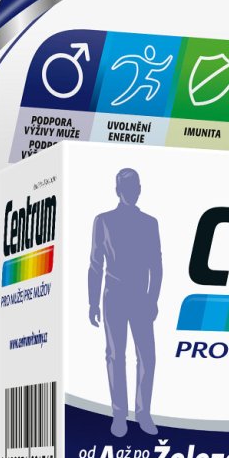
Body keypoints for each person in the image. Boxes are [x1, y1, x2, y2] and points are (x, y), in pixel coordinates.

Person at [88, 168, 163, 436]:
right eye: (126, 188)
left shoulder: (150, 223)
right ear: (118, 191)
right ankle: (119, 415)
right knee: (115, 355)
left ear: (139, 190)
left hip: (140, 297)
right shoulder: (103, 221)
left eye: (134, 188)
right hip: (114, 297)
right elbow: (95, 264)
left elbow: (157, 265)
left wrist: (153, 299)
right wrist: (92, 303)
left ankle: (143, 413)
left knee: (147, 356)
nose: (131, 192)